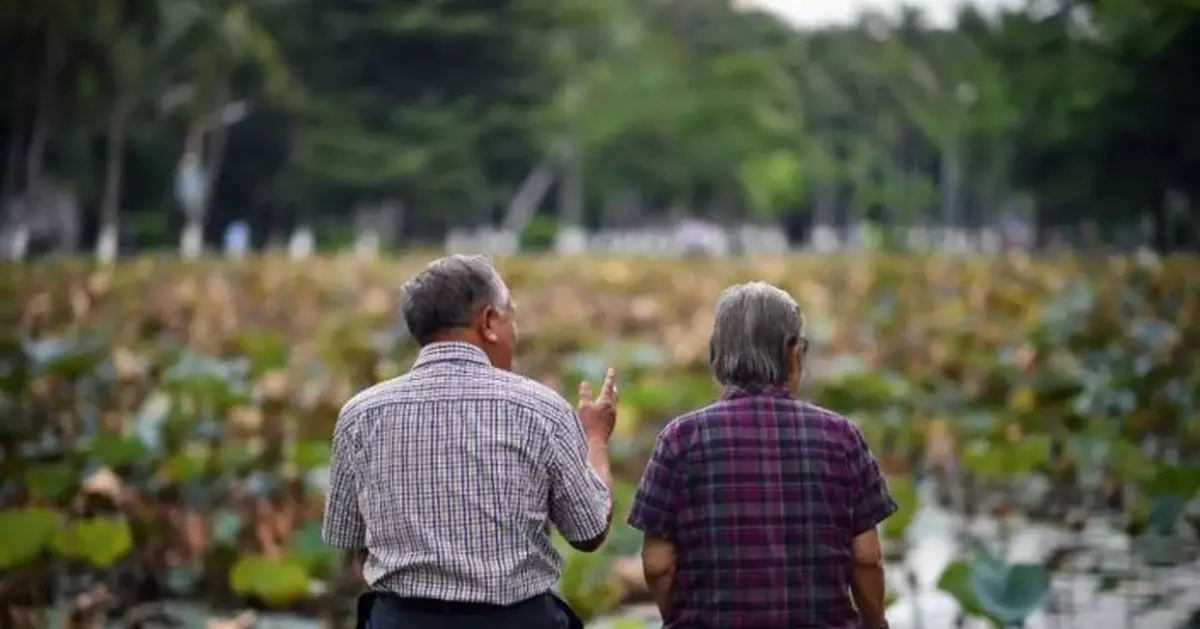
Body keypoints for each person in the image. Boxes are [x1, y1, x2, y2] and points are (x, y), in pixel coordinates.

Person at [321, 254, 619, 629]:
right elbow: (590, 532)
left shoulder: (359, 414)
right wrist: (595, 439)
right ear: (489, 322)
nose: (515, 332)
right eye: (512, 317)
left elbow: (350, 542)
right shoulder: (541, 408)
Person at [627, 282, 897, 629]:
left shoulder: (679, 439)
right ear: (792, 353)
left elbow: (657, 564)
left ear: (717, 355)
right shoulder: (841, 437)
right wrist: (876, 622)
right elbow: (866, 559)